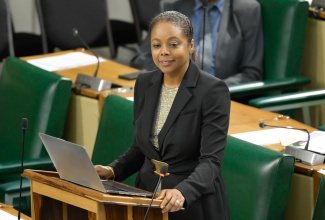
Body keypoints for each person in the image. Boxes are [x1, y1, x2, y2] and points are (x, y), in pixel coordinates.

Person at [95, 11, 230, 220]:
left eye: (173, 44)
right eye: (157, 45)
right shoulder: (144, 83)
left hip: (192, 205)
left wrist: (182, 192)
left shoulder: (212, 90)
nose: (164, 52)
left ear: (190, 45)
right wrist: (112, 170)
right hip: (146, 200)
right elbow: (142, 148)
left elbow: (211, 161)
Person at [130, 0, 264, 86]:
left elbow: (251, 73)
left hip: (220, 101)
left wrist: (211, 90)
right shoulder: (174, 6)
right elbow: (143, 56)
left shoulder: (247, 10)